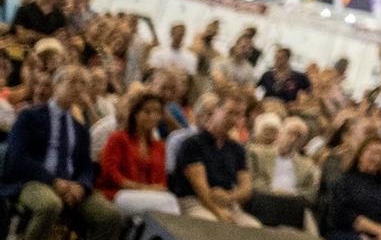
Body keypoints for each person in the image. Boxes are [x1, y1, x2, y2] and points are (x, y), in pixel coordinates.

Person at [1, 65, 121, 240]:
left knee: (110, 215)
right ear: (56, 85)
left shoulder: (79, 128)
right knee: (50, 205)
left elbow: (86, 167)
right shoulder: (30, 117)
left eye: (82, 83)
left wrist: (81, 186)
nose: (77, 87)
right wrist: (52, 180)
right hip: (33, 180)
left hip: (71, 185)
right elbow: (17, 157)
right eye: (71, 81)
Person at [171, 97, 259, 226]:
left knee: (254, 228)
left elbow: (246, 188)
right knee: (212, 226)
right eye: (230, 112)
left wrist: (230, 197)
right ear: (216, 111)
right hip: (194, 200)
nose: (234, 119)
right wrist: (218, 212)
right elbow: (200, 187)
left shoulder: (237, 149)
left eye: (239, 115)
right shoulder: (193, 143)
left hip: (227, 202)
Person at [98, 89, 180, 217]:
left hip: (149, 196)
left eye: (157, 112)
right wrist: (143, 188)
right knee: (169, 203)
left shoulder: (159, 146)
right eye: (147, 112)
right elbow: (110, 173)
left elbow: (161, 182)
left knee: (168, 201)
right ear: (135, 114)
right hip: (118, 193)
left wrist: (152, 190)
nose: (153, 117)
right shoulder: (118, 138)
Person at [246, 111, 319, 229]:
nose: (293, 139)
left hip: (291, 206)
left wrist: (292, 194)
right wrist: (273, 191)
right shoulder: (257, 153)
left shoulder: (307, 165)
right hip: (264, 202)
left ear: (303, 142)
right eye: (291, 133)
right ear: (280, 133)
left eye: (298, 136)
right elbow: (252, 180)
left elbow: (312, 193)